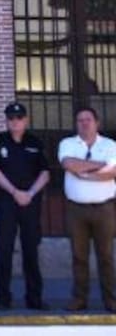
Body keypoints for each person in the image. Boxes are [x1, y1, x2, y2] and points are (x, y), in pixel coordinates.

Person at [0, 101, 49, 310]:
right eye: (11, 118)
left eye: (19, 118)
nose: (15, 122)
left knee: (31, 250)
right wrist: (15, 192)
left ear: (26, 120)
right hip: (6, 202)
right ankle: (3, 298)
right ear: (6, 121)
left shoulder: (35, 142)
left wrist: (29, 193)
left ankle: (34, 298)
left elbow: (45, 172)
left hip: (30, 203)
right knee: (4, 250)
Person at [58, 106, 116, 312]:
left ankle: (111, 300)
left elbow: (113, 172)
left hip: (105, 209)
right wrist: (100, 166)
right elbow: (68, 164)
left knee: (106, 256)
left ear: (97, 123)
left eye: (88, 119)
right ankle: (79, 299)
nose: (84, 123)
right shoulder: (67, 144)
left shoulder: (110, 145)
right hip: (77, 210)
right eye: (80, 120)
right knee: (79, 256)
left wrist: (86, 171)